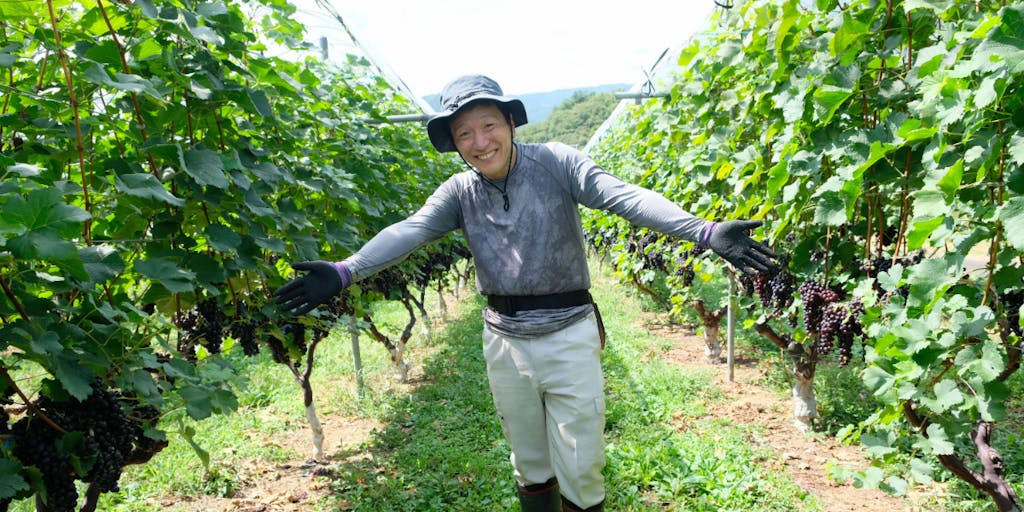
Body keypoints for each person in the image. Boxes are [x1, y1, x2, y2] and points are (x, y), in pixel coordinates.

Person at [274, 74, 778, 511]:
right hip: (505, 340)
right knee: (529, 461)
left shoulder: (556, 162)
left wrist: (704, 231)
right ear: (454, 143)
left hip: (569, 333)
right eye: (464, 133)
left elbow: (623, 197)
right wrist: (346, 271)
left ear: (511, 123)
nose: (480, 142)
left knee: (581, 462)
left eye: (488, 125)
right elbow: (411, 230)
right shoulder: (459, 192)